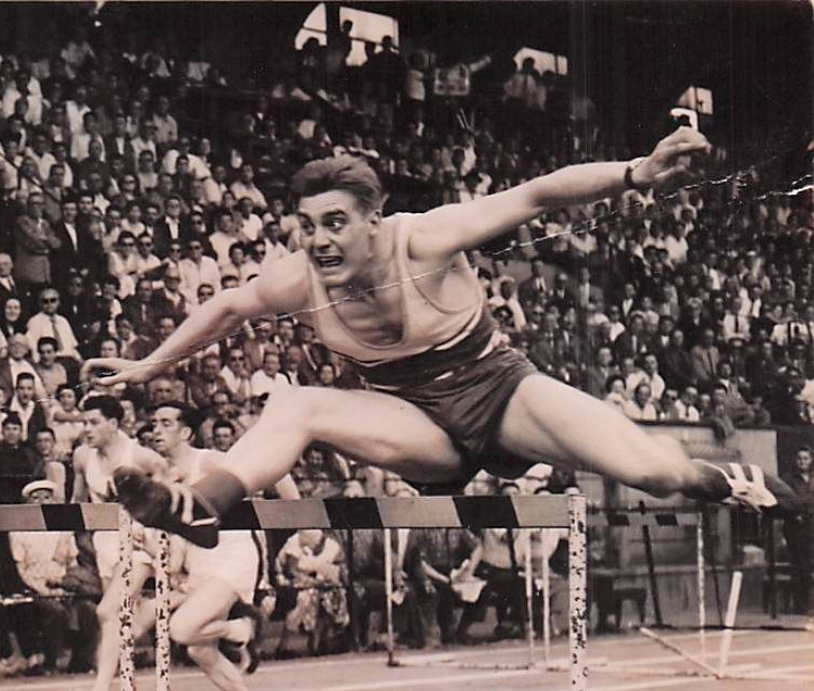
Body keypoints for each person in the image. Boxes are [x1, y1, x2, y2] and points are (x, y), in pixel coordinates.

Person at [85, 133, 797, 548]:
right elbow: (227, 308)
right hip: (415, 420)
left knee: (655, 474)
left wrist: (634, 175)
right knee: (294, 404)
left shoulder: (423, 238)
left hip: (498, 389)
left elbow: (537, 194)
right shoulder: (297, 278)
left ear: (372, 219)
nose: (319, 240)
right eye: (307, 225)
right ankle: (202, 506)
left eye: (334, 222)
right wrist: (146, 366)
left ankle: (726, 482)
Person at [150, 402, 278, 691]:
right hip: (201, 563)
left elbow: (260, 469)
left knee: (181, 629)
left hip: (233, 557)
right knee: (198, 647)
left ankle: (241, 629)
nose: (156, 431)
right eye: (154, 424)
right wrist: (173, 566)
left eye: (165, 424)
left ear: (186, 433)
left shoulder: (208, 461)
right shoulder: (162, 475)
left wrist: (292, 508)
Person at [66, 393, 162, 691]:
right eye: (83, 423)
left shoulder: (143, 457)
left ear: (113, 424)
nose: (87, 429)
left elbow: (171, 493)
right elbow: (77, 503)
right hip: (105, 545)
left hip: (139, 546)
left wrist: (150, 529)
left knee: (108, 612)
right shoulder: (82, 457)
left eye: (93, 423)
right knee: (122, 624)